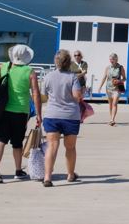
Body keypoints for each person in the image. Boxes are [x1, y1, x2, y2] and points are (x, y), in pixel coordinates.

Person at [0, 44, 41, 183]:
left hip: (3, 109)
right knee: (17, 142)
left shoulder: (5, 66)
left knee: (1, 139)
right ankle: (18, 171)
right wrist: (39, 114)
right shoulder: (29, 71)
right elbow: (35, 93)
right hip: (21, 111)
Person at [40, 49, 85, 186]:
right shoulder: (72, 78)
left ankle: (47, 177)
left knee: (51, 146)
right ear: (69, 62)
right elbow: (77, 97)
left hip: (52, 115)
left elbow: (43, 97)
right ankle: (70, 175)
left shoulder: (48, 76)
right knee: (70, 147)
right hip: (70, 116)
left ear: (56, 62)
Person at [98, 53, 126, 126]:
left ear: (116, 59)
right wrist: (100, 86)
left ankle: (113, 119)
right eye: (110, 59)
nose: (111, 60)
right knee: (110, 104)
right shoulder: (108, 68)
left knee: (114, 103)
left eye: (113, 59)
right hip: (108, 88)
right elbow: (104, 77)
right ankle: (111, 119)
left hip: (116, 89)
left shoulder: (120, 67)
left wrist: (119, 81)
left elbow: (125, 78)